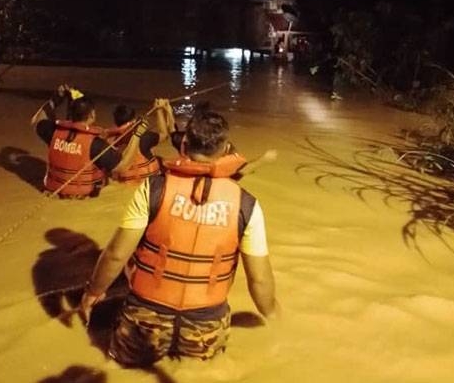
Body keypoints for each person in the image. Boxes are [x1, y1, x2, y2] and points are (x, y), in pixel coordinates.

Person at [79, 107, 278, 365]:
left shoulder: (153, 189)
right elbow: (260, 282)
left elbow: (116, 255)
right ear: (226, 148)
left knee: (120, 364)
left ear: (184, 143)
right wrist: (273, 315)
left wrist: (92, 292)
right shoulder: (246, 205)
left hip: (145, 321)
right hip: (205, 327)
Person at [31, 84, 122, 198]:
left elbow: (37, 120)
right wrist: (136, 137)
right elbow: (121, 168)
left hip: (54, 190)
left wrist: (57, 98)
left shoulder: (54, 132)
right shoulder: (95, 143)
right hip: (84, 195)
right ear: (92, 115)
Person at [106, 98, 175, 183]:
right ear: (133, 120)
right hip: (143, 184)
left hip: (124, 182)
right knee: (160, 160)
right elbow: (164, 134)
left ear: (115, 122)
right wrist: (159, 110)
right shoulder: (143, 137)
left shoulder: (109, 140)